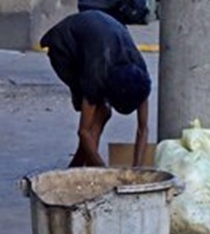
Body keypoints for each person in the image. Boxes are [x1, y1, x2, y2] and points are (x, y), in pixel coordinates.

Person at [39, 11, 151, 168]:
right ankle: (85, 167)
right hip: (65, 47)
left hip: (99, 39)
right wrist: (105, 172)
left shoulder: (141, 79)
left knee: (102, 112)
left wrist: (136, 171)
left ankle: (79, 166)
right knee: (101, 111)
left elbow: (143, 129)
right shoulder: (97, 77)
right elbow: (83, 131)